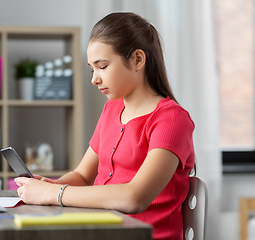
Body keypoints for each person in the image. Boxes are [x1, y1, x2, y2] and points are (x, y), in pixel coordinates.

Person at [15, 12, 195, 240]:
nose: (94, 79)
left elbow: (134, 198)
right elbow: (82, 176)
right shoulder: (111, 110)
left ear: (138, 60)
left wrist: (55, 193)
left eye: (102, 66)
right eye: (92, 69)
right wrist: (50, 186)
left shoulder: (171, 119)